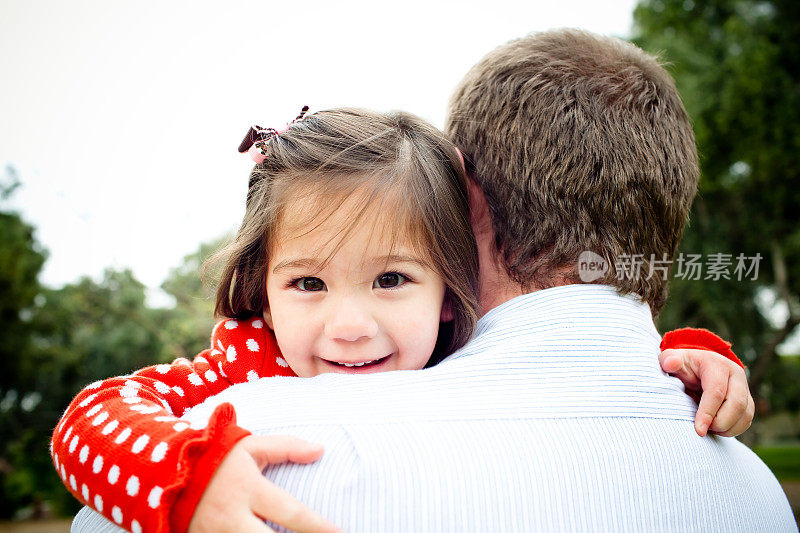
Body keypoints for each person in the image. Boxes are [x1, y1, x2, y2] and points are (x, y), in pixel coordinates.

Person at [63, 31, 780, 531]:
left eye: (392, 277)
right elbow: (91, 417)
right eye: (307, 283)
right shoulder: (759, 496)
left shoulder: (436, 340)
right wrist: (184, 481)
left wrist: (693, 354)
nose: (349, 325)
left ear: (454, 234)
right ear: (261, 287)